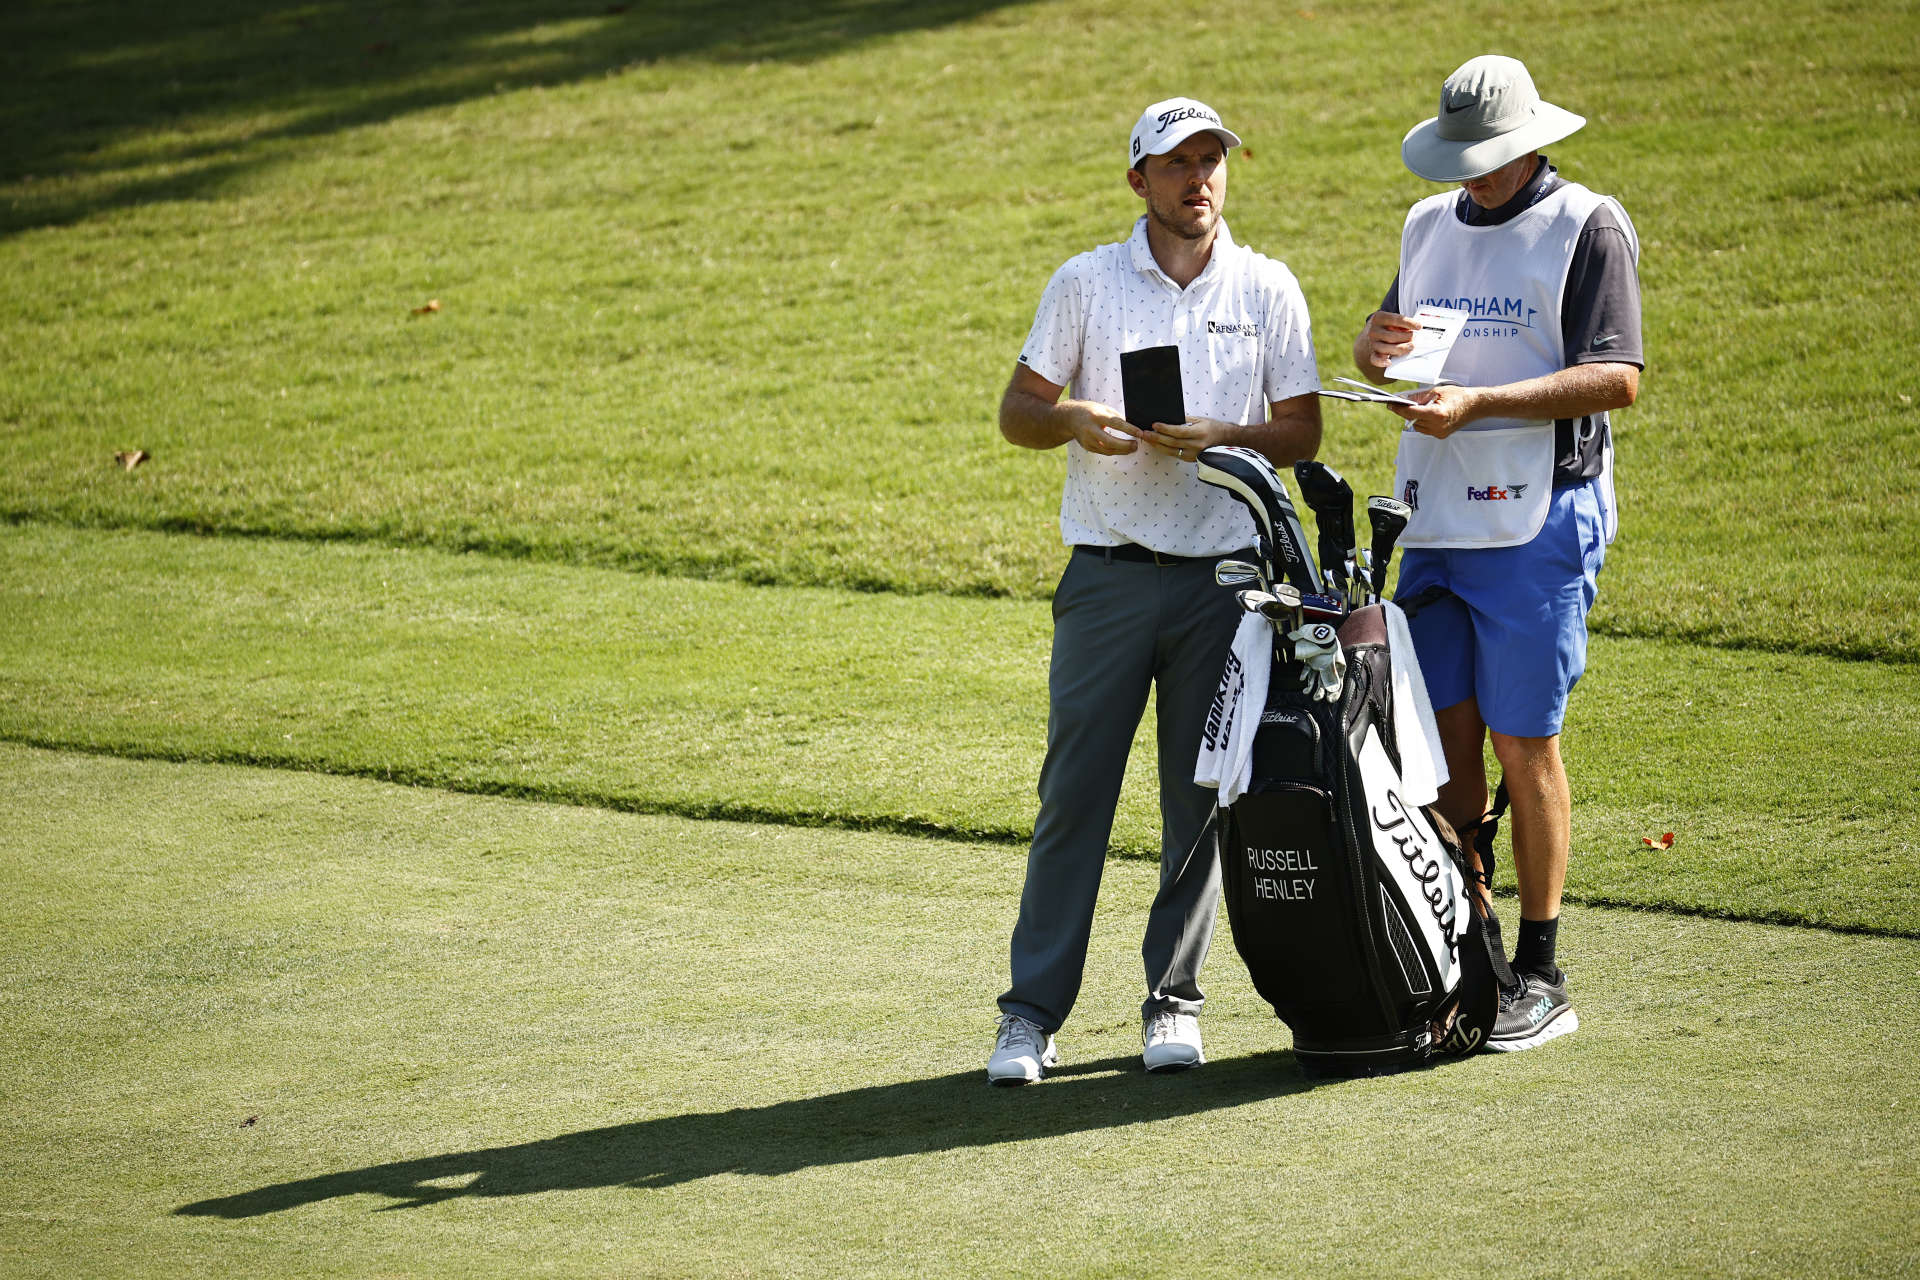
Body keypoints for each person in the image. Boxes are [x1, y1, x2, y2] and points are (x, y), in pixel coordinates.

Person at [988, 97, 1322, 1084]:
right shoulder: (1086, 283)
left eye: (1212, 160)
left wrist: (1230, 434)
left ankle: (1172, 1003)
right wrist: (1077, 418)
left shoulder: (1267, 287)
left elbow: (1300, 431)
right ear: (1139, 179)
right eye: (1178, 164)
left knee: (1199, 802)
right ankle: (1028, 1015)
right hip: (1108, 579)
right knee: (1073, 801)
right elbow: (1018, 412)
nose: (1200, 179)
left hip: (1225, 584)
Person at [1351, 55, 1643, 1051]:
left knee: (1526, 743)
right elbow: (1383, 340)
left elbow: (1615, 379)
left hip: (1538, 521)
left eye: (1490, 157)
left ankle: (1543, 967)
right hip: (1433, 517)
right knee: (1441, 743)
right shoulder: (1429, 223)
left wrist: (1481, 403)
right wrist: (1374, 347)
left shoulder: (1587, 224)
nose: (1472, 175)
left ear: (1530, 141)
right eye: (1462, 158)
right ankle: (1470, 954)